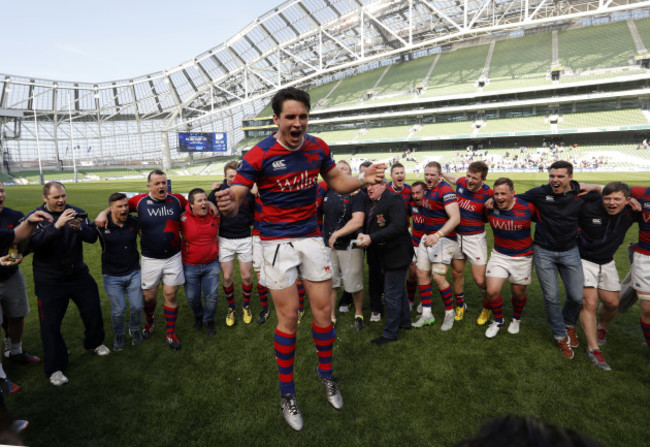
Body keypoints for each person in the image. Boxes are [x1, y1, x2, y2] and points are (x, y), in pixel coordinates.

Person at [215, 87, 385, 431]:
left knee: (322, 311)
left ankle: (326, 375)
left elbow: (337, 181)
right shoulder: (258, 153)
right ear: (276, 119)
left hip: (310, 237)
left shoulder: (318, 147)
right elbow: (239, 190)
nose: (297, 123)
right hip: (275, 241)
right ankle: (287, 392)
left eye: (302, 116)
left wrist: (361, 180)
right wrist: (231, 202)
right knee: (289, 316)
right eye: (290, 117)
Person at [95, 170, 193, 350]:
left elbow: (194, 205)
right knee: (148, 299)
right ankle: (150, 321)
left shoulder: (177, 199)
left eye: (163, 182)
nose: (161, 186)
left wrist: (209, 203)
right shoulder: (139, 201)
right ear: (149, 186)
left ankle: (170, 333)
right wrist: (103, 213)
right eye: (157, 183)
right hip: (150, 258)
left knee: (170, 294)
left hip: (173, 256)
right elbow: (119, 206)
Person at [29, 182, 109, 386]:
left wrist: (81, 228)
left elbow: (92, 237)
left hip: (78, 274)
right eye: (56, 197)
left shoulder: (77, 213)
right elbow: (31, 244)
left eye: (63, 196)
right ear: (45, 198)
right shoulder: (36, 217)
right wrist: (56, 226)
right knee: (50, 324)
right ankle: (55, 367)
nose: (61, 200)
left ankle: (93, 342)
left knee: (92, 310)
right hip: (50, 280)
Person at [515, 160, 597, 359]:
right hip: (544, 252)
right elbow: (514, 198)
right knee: (551, 297)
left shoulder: (581, 193)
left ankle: (569, 325)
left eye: (560, 176)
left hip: (570, 251)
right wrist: (493, 200)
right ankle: (560, 336)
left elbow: (613, 194)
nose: (555, 180)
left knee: (577, 296)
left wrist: (595, 186)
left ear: (570, 176)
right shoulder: (540, 192)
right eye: (552, 176)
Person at [577, 182, 636, 370]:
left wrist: (599, 187)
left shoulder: (631, 212)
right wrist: (595, 187)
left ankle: (601, 327)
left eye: (617, 199)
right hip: (583, 260)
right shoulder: (589, 206)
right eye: (607, 198)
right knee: (590, 303)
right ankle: (593, 349)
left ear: (626, 201)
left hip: (608, 262)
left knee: (612, 304)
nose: (611, 202)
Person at [357, 179, 413, 345]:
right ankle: (405, 322)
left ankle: (390, 334)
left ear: (384, 185)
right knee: (398, 290)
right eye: (367, 186)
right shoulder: (370, 201)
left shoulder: (394, 200)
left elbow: (398, 226)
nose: (369, 188)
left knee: (391, 294)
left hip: (397, 253)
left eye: (373, 185)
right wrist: (362, 233)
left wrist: (371, 237)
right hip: (383, 254)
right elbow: (366, 222)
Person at [0, 181, 41, 396]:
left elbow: (20, 241)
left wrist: (17, 254)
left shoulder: (13, 215)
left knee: (18, 314)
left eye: (1, 190)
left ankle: (14, 352)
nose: (0, 195)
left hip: (10, 275)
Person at [484, 178, 536, 339]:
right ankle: (498, 321)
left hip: (523, 257)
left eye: (503, 194)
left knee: (518, 293)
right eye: (496, 194)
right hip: (499, 255)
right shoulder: (489, 207)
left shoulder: (528, 207)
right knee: (492, 290)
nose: (499, 197)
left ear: (513, 193)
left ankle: (516, 319)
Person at [442, 161, 493, 325]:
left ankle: (487, 307)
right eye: (469, 176)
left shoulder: (489, 194)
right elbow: (455, 179)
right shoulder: (463, 182)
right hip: (456, 236)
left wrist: (492, 201)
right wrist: (442, 174)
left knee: (479, 280)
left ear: (483, 179)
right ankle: (460, 305)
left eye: (475, 178)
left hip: (475, 238)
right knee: (457, 273)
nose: (469, 181)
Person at [412, 161, 461, 331]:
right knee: (421, 273)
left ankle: (449, 313)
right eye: (426, 174)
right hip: (427, 237)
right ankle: (427, 314)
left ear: (440, 175)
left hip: (443, 239)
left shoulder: (445, 190)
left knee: (439, 277)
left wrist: (438, 234)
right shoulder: (427, 190)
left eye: (432, 174)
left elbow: (455, 218)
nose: (428, 177)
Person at [95, 192, 144, 351]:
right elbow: (85, 234)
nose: (124, 209)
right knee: (119, 310)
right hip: (112, 275)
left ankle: (135, 330)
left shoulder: (134, 222)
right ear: (111, 209)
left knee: (137, 306)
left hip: (134, 271)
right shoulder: (102, 225)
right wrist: (103, 213)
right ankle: (119, 334)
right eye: (120, 207)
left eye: (126, 206)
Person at [208, 161, 255, 326]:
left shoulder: (247, 191)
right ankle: (231, 308)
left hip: (244, 238)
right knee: (227, 276)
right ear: (225, 177)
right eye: (231, 176)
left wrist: (257, 192)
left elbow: (258, 211)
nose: (234, 179)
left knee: (247, 276)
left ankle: (246, 306)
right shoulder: (217, 192)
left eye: (237, 176)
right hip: (225, 239)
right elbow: (207, 209)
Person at [321, 160, 366, 329]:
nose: (340, 171)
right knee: (331, 283)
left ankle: (359, 314)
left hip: (350, 246)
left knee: (354, 283)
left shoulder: (357, 194)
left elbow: (357, 221)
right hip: (329, 246)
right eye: (337, 169)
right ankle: (331, 316)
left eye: (344, 168)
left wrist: (337, 234)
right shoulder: (327, 190)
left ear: (350, 172)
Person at [181, 188, 221, 336]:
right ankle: (198, 316)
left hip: (211, 264)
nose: (203, 203)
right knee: (192, 297)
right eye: (200, 200)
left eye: (205, 199)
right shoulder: (182, 219)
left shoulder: (214, 215)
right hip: (190, 265)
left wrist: (212, 204)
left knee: (212, 295)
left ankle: (208, 320)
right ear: (191, 204)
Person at [388, 162, 418, 306]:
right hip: (389, 235)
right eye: (397, 173)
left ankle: (410, 300)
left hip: (406, 234)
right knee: (389, 270)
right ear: (391, 176)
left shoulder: (410, 191)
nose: (400, 175)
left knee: (413, 270)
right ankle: (388, 296)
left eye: (402, 172)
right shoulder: (385, 190)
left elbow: (417, 207)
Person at [628, 185, 650, 362]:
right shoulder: (641, 193)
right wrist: (629, 198)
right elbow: (614, 191)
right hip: (645, 258)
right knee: (647, 308)